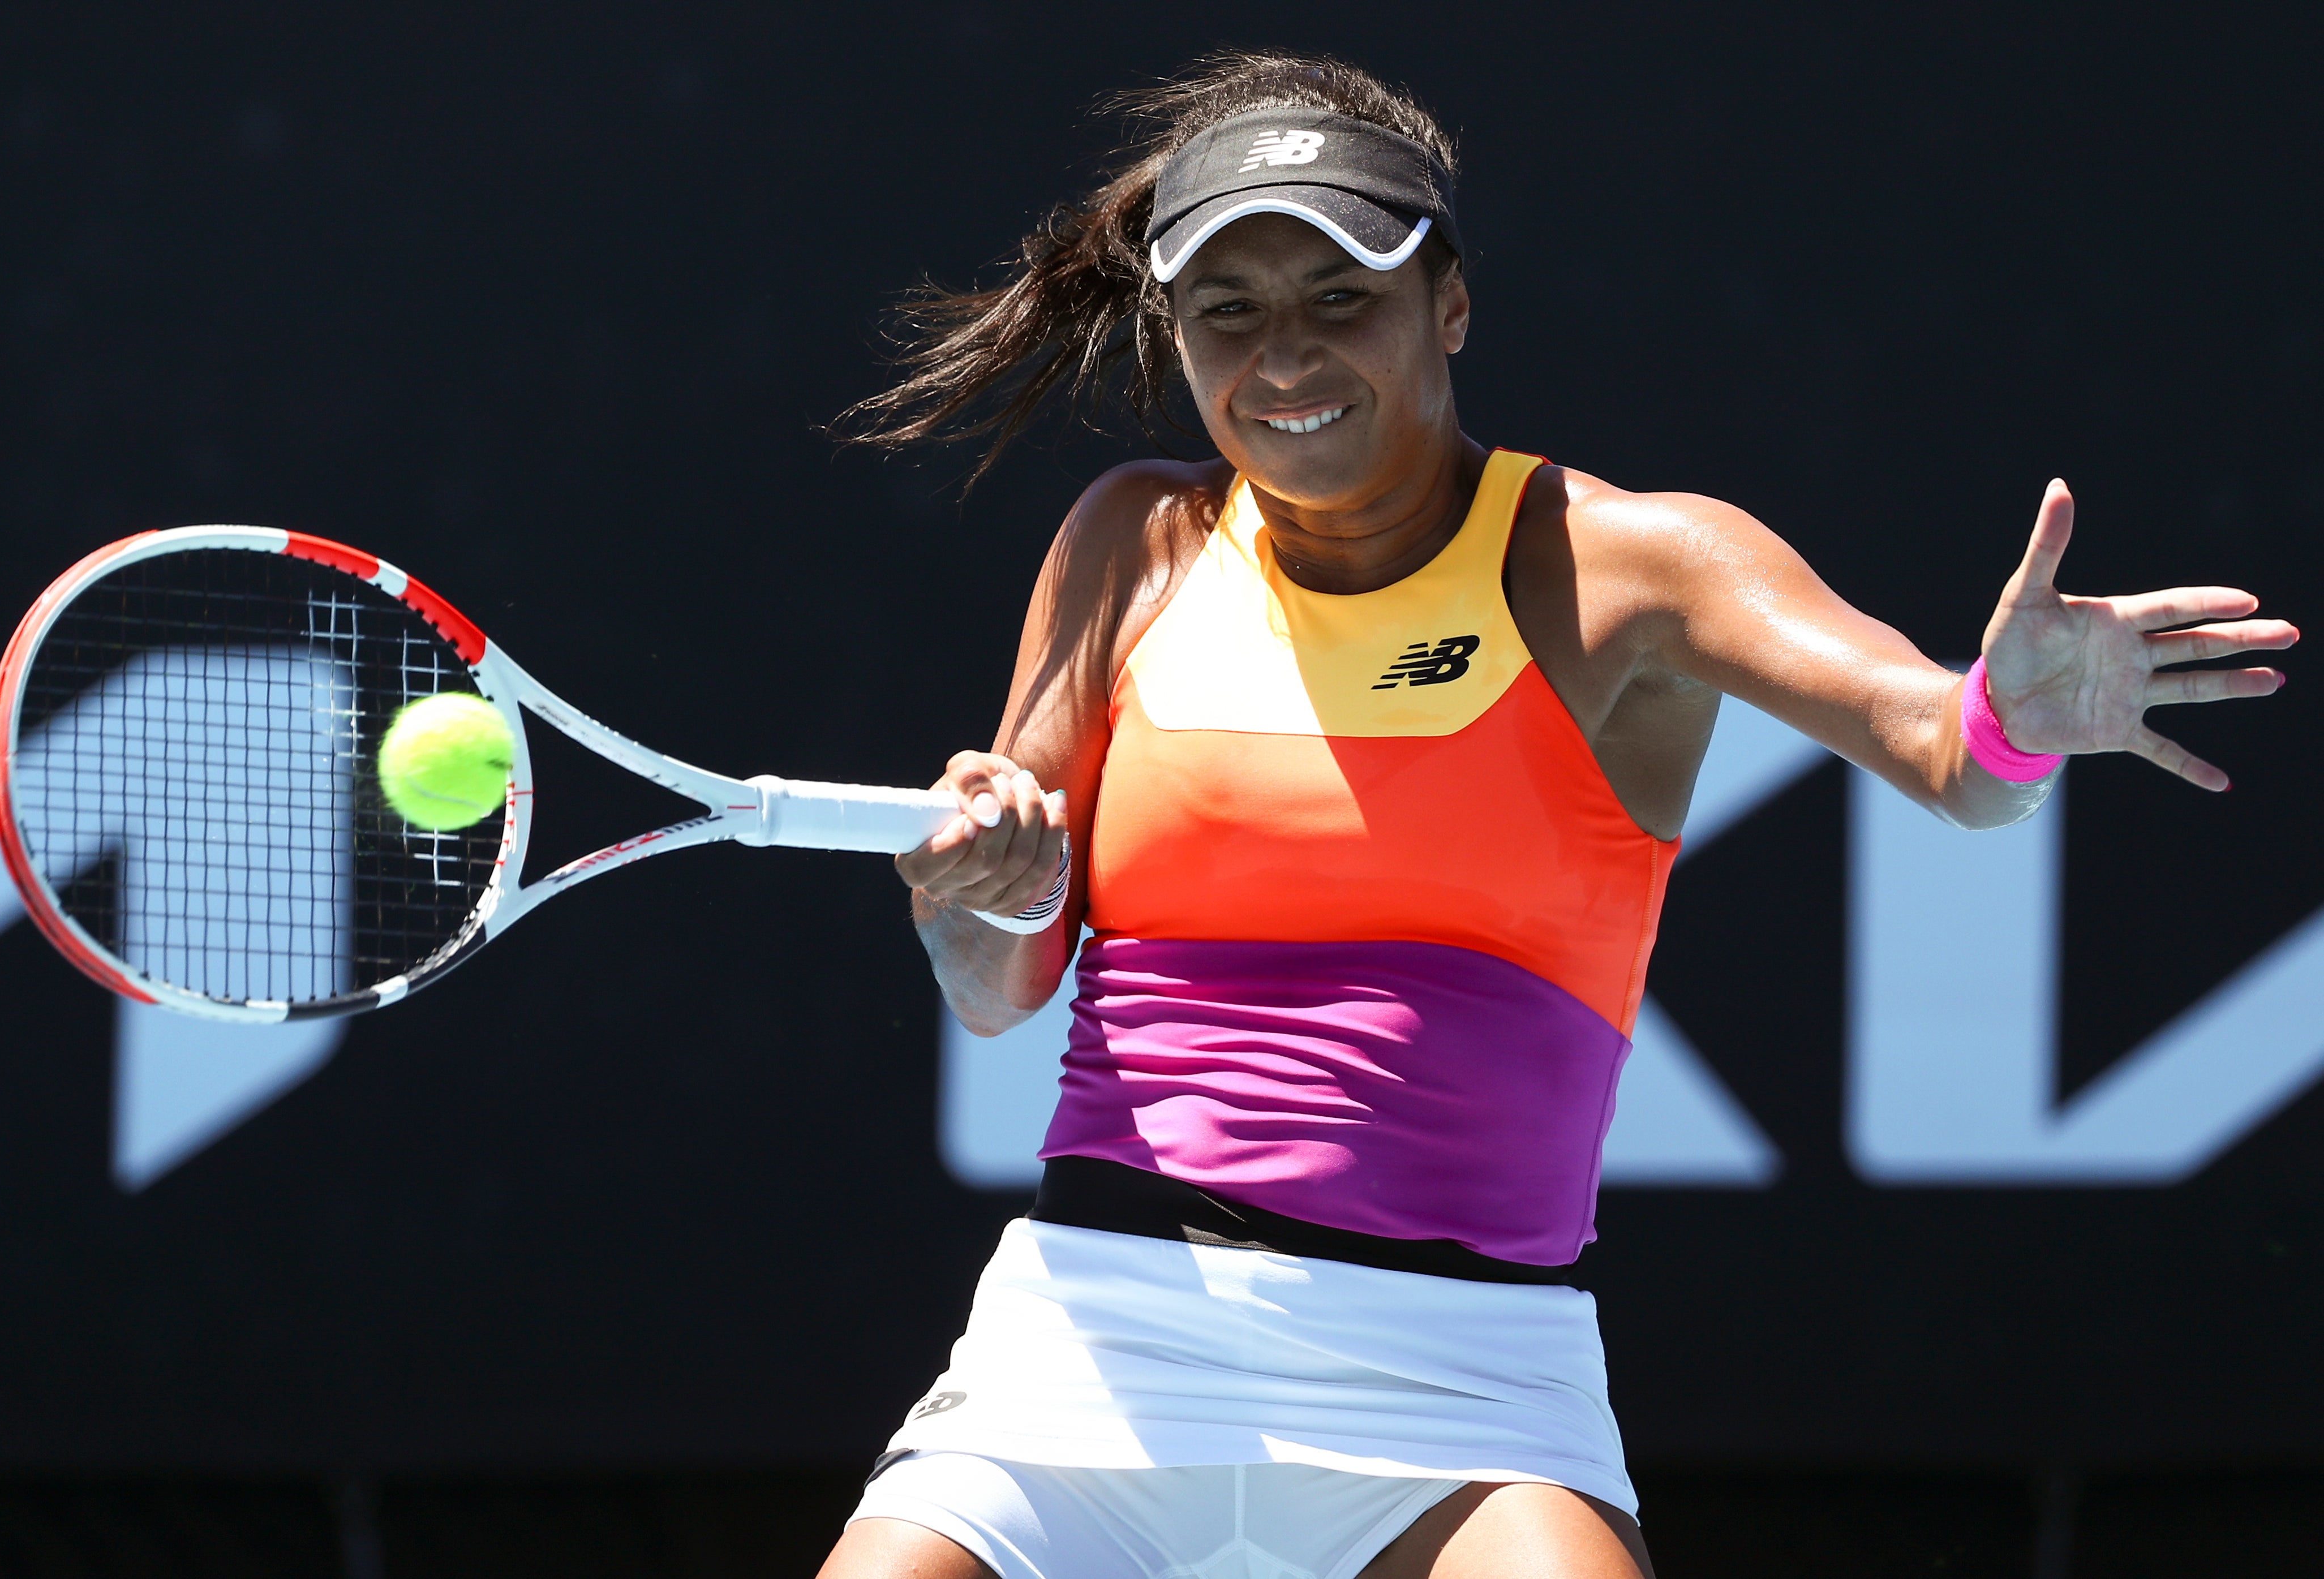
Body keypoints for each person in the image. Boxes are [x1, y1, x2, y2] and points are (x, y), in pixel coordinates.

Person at [817, 52, 2295, 1579]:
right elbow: (1001, 991)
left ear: (1447, 303)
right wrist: (973, 893)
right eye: (1228, 311)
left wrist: (2007, 718)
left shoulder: (1627, 569)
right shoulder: (1131, 540)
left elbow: (1941, 753)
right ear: (1178, 334)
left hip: (1463, 1385)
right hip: (1085, 1344)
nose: (1283, 358)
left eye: (1341, 297)